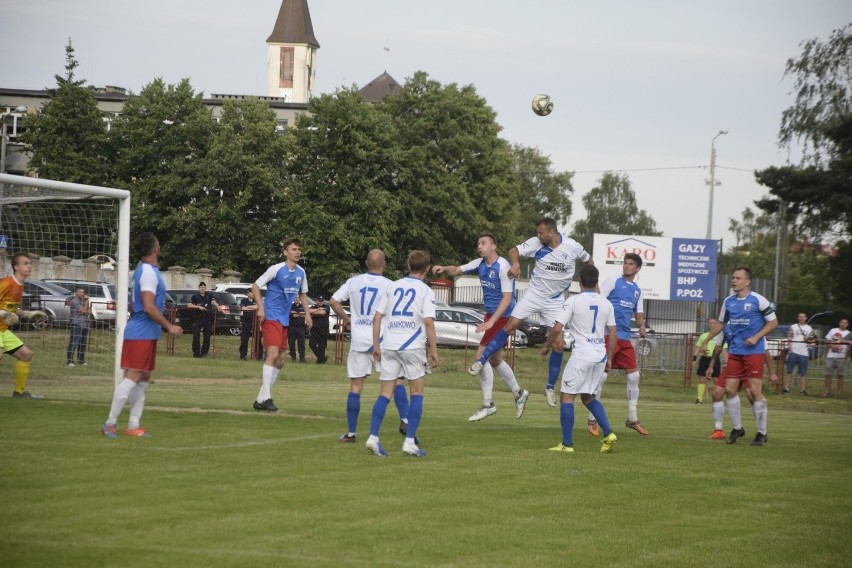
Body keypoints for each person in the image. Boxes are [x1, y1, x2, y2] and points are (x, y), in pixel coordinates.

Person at [467, 218, 592, 408]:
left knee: (558, 344)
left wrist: (591, 285)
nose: (537, 235)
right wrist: (515, 263)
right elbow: (513, 251)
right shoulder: (536, 243)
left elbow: (588, 260)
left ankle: (549, 387)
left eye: (540, 232)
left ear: (551, 233)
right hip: (534, 294)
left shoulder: (573, 246)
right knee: (511, 325)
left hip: (555, 300)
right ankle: (481, 360)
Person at [433, 233, 530, 422]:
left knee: (480, 357)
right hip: (493, 316)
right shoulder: (479, 264)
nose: (479, 246)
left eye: (483, 243)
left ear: (493, 247)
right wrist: (444, 268)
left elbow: (507, 298)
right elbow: (457, 270)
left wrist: (491, 321)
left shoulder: (503, 266)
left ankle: (488, 404)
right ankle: (518, 393)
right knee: (495, 360)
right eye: (478, 243)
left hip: (504, 316)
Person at [101, 233, 183, 437]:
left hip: (146, 332)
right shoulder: (146, 272)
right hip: (141, 332)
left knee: (143, 376)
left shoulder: (146, 270)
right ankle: (110, 423)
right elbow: (148, 306)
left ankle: (133, 425)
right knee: (134, 375)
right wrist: (169, 326)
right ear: (155, 249)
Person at [330, 249, 412, 443]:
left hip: (359, 339)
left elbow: (333, 301)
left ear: (367, 263)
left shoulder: (353, 282)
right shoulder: (391, 286)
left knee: (356, 386)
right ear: (384, 265)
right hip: (383, 340)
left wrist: (347, 319)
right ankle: (405, 420)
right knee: (397, 381)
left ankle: (351, 433)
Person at [365, 250, 440, 458]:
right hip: (412, 346)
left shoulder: (392, 285)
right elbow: (428, 322)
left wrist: (376, 346)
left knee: (384, 394)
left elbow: (377, 317)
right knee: (416, 393)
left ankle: (373, 438)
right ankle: (409, 442)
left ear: (408, 266)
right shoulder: (426, 291)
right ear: (426, 268)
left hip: (389, 345)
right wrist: (434, 350)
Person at [542, 265, 618, 454]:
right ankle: (608, 433)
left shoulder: (573, 301)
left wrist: (546, 346)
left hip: (582, 355)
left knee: (567, 396)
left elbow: (557, 328)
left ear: (579, 281)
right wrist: (609, 358)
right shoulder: (606, 303)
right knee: (588, 396)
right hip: (599, 355)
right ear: (597, 281)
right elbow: (613, 333)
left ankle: (567, 445)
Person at [699, 267, 777, 446]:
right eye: (733, 277)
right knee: (730, 390)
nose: (734, 281)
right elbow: (720, 324)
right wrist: (706, 341)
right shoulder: (729, 302)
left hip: (754, 353)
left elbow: (774, 322)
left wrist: (756, 337)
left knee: (755, 392)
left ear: (747, 282)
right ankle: (738, 428)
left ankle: (762, 432)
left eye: (738, 278)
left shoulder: (758, 300)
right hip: (735, 352)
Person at [591, 252, 649, 436]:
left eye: (631, 264)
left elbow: (638, 313)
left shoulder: (638, 291)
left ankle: (632, 418)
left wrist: (641, 327)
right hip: (609, 335)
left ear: (637, 268)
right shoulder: (613, 281)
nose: (626, 266)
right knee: (602, 376)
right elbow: (599, 299)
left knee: (634, 376)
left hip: (624, 338)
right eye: (625, 263)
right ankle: (592, 419)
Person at [252, 238, 312, 412]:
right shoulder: (276, 269)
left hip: (284, 319)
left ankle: (260, 398)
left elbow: (303, 294)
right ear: (285, 252)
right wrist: (261, 308)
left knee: (281, 360)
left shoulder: (301, 272)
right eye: (294, 249)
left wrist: (308, 314)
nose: (297, 252)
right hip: (271, 315)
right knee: (272, 354)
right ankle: (267, 398)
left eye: (299, 249)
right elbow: (255, 286)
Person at [706, 337, 778, 439]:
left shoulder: (754, 325)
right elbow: (718, 347)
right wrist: (711, 367)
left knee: (752, 395)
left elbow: (765, 351)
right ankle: (719, 430)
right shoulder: (726, 325)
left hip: (749, 363)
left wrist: (772, 372)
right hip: (734, 364)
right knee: (717, 393)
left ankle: (761, 431)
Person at [1, 253, 43, 399]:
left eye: (30, 263)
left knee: (26, 355)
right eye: (25, 263)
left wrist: (27, 314)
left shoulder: (20, 286)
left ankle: (19, 393)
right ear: (16, 267)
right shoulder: (6, 283)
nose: (30, 266)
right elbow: (5, 311)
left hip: (2, 330)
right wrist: (4, 315)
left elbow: (12, 308)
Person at [189, 282, 223, 358]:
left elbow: (213, 302)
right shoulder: (195, 296)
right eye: (201, 287)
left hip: (208, 317)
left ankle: (204, 353)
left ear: (205, 288)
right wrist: (198, 307)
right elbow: (189, 305)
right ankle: (196, 353)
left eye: (204, 287)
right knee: (196, 336)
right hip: (198, 318)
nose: (203, 288)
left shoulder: (209, 295)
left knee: (207, 337)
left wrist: (218, 306)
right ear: (199, 288)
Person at [784, 312, 815, 395]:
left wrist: (807, 339)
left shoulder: (809, 328)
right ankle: (786, 389)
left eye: (803, 317)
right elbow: (789, 337)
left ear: (806, 318)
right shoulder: (793, 327)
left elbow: (812, 341)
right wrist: (790, 349)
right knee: (789, 371)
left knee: (803, 373)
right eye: (800, 317)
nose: (801, 318)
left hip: (804, 353)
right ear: (798, 318)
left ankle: (802, 390)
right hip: (794, 351)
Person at [694, 319, 724, 404]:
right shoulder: (704, 336)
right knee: (702, 380)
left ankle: (719, 399)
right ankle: (699, 399)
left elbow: (724, 349)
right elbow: (698, 347)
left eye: (713, 323)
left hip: (715, 359)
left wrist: (726, 361)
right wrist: (694, 358)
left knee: (717, 380)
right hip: (704, 359)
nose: (711, 325)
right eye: (709, 323)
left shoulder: (720, 336)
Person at [823, 318, 850, 398]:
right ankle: (826, 392)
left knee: (840, 375)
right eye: (842, 322)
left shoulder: (848, 333)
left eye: (845, 323)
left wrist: (846, 357)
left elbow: (849, 346)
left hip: (842, 357)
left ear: (847, 325)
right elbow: (827, 341)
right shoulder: (833, 330)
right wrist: (832, 346)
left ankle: (839, 393)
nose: (843, 324)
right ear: (839, 323)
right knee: (828, 374)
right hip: (831, 356)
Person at [66, 286, 90, 367]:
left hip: (85, 324)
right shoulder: (74, 301)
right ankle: (70, 361)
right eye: (80, 292)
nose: (82, 294)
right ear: (76, 293)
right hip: (76, 324)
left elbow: (88, 312)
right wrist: (86, 302)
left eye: (83, 292)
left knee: (82, 344)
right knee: (74, 342)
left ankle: (81, 360)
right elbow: (83, 311)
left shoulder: (83, 301)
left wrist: (85, 309)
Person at [238, 289, 262, 360]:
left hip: (255, 322)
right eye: (251, 292)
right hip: (246, 322)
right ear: (247, 294)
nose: (253, 294)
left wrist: (248, 307)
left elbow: (257, 307)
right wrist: (252, 308)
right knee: (244, 339)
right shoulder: (243, 301)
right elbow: (243, 308)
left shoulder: (257, 300)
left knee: (258, 339)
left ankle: (258, 355)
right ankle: (243, 355)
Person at [309, 296, 330, 363]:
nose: (320, 302)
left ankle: (320, 361)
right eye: (319, 301)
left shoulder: (327, 307)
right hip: (314, 330)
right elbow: (308, 311)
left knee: (322, 347)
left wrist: (313, 313)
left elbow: (322, 313)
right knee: (312, 344)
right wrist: (318, 310)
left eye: (321, 301)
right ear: (316, 301)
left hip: (323, 330)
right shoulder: (313, 307)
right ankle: (322, 358)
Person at [288, 296, 307, 362]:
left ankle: (302, 359)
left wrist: (296, 313)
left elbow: (305, 315)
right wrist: (300, 314)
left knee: (301, 344)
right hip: (292, 327)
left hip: (301, 328)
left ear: (300, 299)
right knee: (291, 343)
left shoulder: (303, 306)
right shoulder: (290, 306)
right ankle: (293, 358)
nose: (297, 299)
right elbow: (291, 314)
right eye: (295, 297)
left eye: (298, 297)